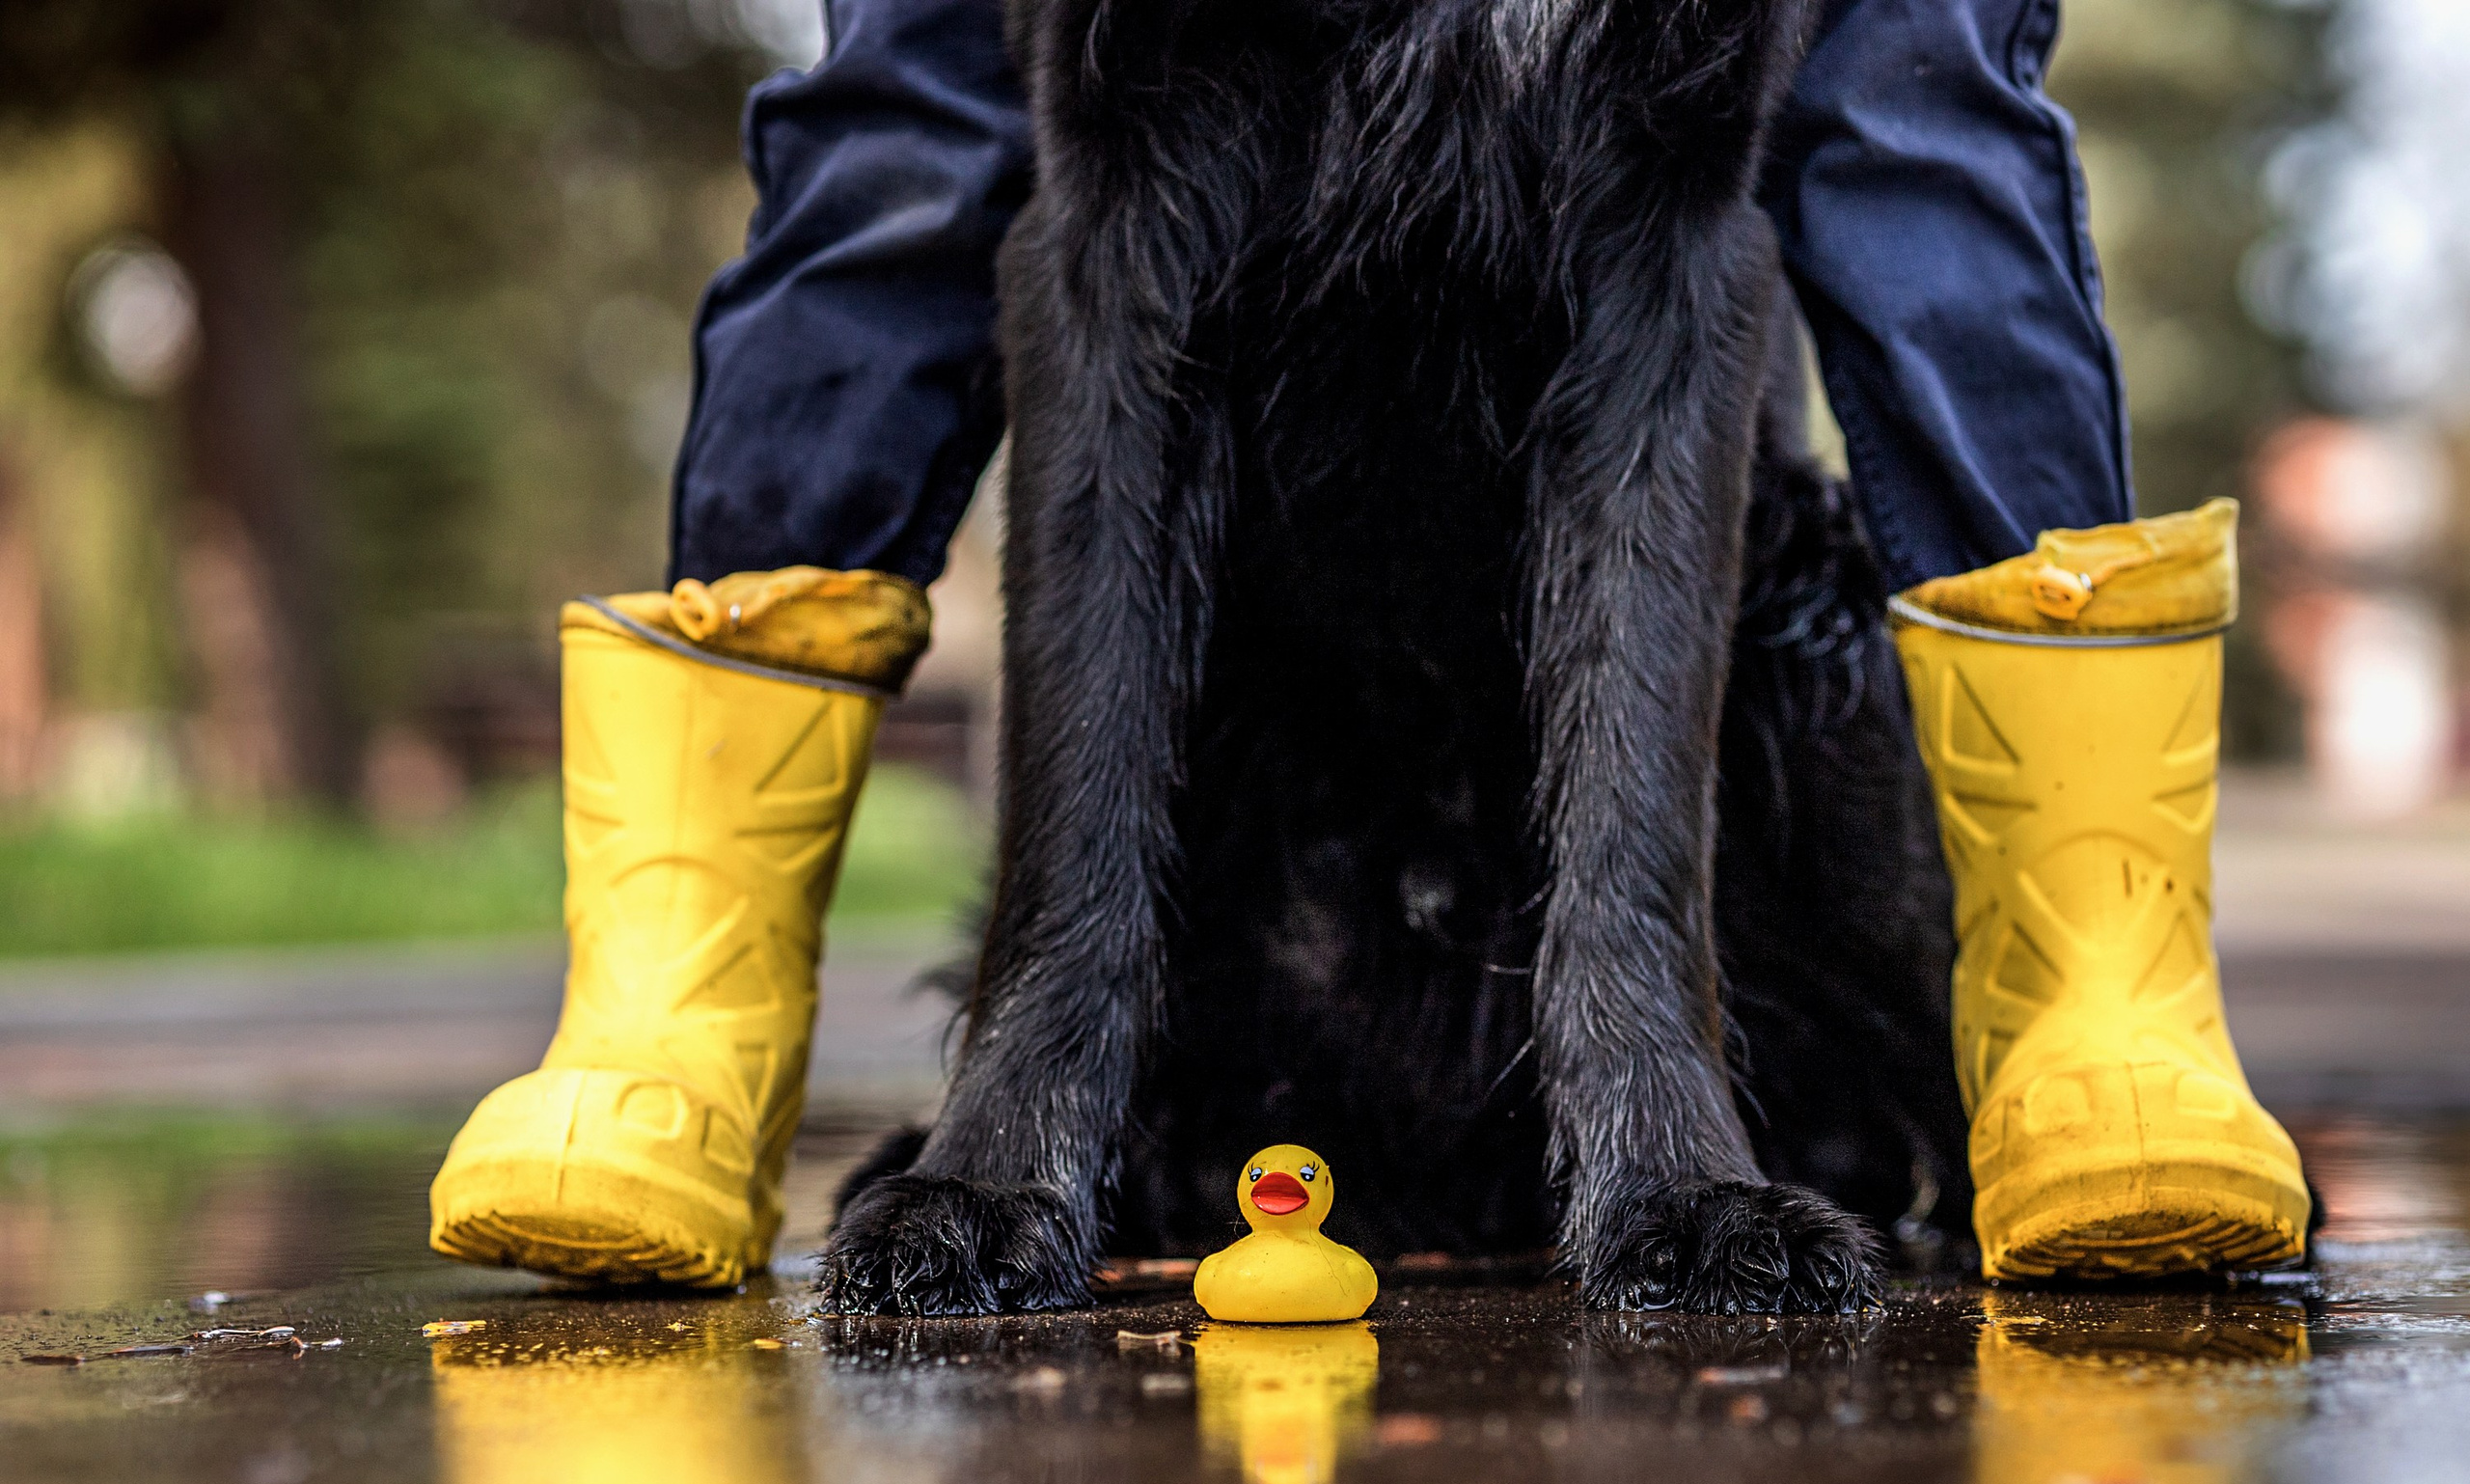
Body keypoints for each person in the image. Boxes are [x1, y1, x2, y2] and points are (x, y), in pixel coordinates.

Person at [426, 0, 2310, 1290]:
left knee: (1922, 95)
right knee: (906, 116)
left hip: (1662, 778)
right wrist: (1021, 1106)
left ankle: (2057, 1009)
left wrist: (1663, 1128)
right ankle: (736, 1017)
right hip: (1270, 783)